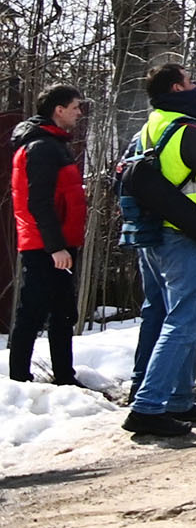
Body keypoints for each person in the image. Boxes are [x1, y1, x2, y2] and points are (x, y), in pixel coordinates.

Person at [124, 63, 196, 437]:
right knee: (185, 321)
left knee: (160, 314)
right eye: (191, 82)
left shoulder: (149, 127)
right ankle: (149, 405)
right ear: (177, 88)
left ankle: (178, 399)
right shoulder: (187, 131)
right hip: (185, 237)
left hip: (152, 235)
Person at [9, 84, 87, 386]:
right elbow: (38, 202)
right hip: (46, 246)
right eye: (75, 107)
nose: (79, 113)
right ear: (59, 109)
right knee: (33, 311)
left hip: (58, 242)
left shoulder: (53, 143)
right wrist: (56, 248)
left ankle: (65, 377)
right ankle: (18, 381)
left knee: (63, 312)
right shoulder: (41, 147)